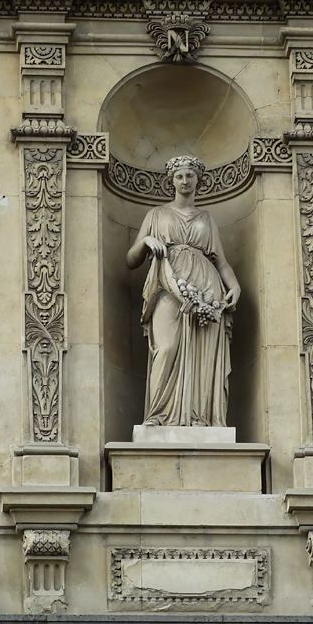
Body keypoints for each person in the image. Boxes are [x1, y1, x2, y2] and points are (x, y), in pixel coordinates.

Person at [126, 156, 241, 427]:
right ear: (171, 180)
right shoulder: (156, 215)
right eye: (179, 176)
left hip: (206, 288)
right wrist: (145, 241)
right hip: (168, 283)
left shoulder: (207, 218)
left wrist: (234, 285)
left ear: (197, 179)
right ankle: (158, 415)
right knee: (166, 347)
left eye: (189, 175)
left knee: (201, 355)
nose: (185, 180)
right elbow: (131, 260)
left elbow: (221, 262)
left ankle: (199, 416)